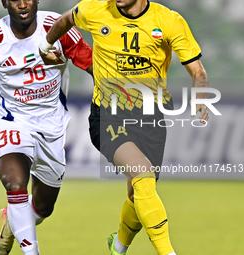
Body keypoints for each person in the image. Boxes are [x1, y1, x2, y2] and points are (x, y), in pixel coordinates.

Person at [39, 0, 209, 255]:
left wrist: (201, 96)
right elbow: (65, 20)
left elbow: (198, 71)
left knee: (139, 194)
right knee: (143, 176)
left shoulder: (169, 21)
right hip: (107, 115)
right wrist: (45, 44)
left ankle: (118, 246)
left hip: (150, 118)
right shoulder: (95, 9)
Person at [0, 0, 93, 254]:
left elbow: (93, 65)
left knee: (43, 207)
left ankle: (10, 227)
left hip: (52, 126)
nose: (23, 4)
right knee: (15, 184)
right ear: (4, 2)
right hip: (12, 122)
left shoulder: (58, 28)